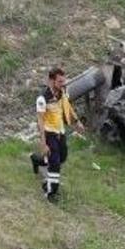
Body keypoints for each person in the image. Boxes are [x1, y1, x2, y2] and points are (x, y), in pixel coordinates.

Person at [30, 68, 85, 203]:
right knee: (54, 163)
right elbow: (40, 121)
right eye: (59, 81)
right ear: (51, 81)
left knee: (62, 157)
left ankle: (36, 160)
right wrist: (43, 143)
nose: (62, 83)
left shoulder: (62, 92)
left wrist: (76, 121)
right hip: (49, 133)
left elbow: (68, 107)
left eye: (63, 81)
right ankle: (50, 192)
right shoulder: (43, 98)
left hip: (60, 131)